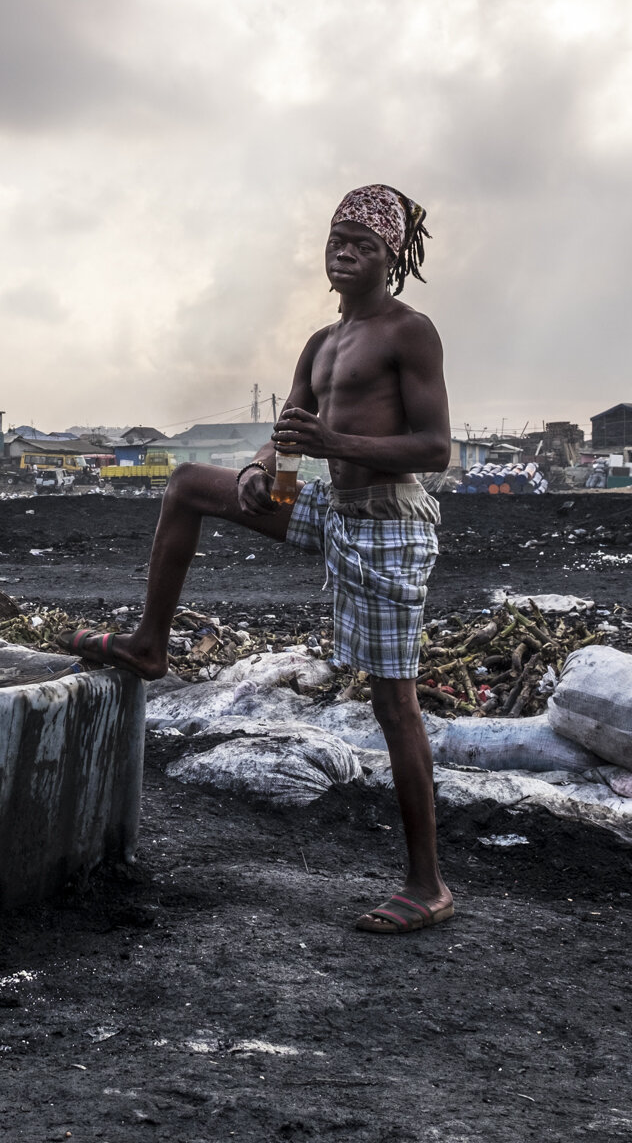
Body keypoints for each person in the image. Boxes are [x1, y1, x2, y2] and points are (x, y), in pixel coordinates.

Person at [61, 184, 454, 934]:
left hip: (386, 525)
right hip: (331, 506)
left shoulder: (410, 332)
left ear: (392, 256)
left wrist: (333, 446)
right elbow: (293, 442)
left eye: (363, 243)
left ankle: (427, 885)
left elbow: (434, 448)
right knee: (188, 486)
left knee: (393, 704)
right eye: (338, 238)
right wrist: (257, 469)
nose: (345, 251)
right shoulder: (321, 342)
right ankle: (149, 644)